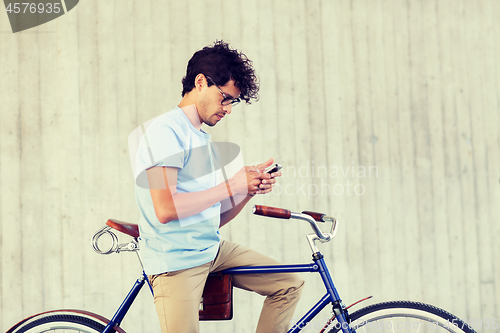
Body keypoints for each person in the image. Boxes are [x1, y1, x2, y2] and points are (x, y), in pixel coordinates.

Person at [132, 40, 304, 333]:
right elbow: (165, 209)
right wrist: (231, 184)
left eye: (232, 101)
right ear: (201, 83)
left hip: (210, 250)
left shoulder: (202, 139)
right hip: (176, 260)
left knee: (288, 284)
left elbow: (215, 217)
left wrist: (247, 190)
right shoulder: (165, 132)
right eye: (225, 98)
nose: (228, 109)